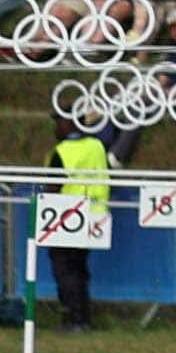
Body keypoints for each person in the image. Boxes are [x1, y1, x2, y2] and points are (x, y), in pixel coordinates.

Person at [48, 101, 110, 327]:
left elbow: (52, 187)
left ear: (70, 122)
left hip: (67, 217)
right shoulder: (97, 146)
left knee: (65, 271)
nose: (55, 128)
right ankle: (83, 317)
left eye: (58, 122)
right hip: (95, 215)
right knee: (80, 270)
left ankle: (73, 318)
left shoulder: (62, 152)